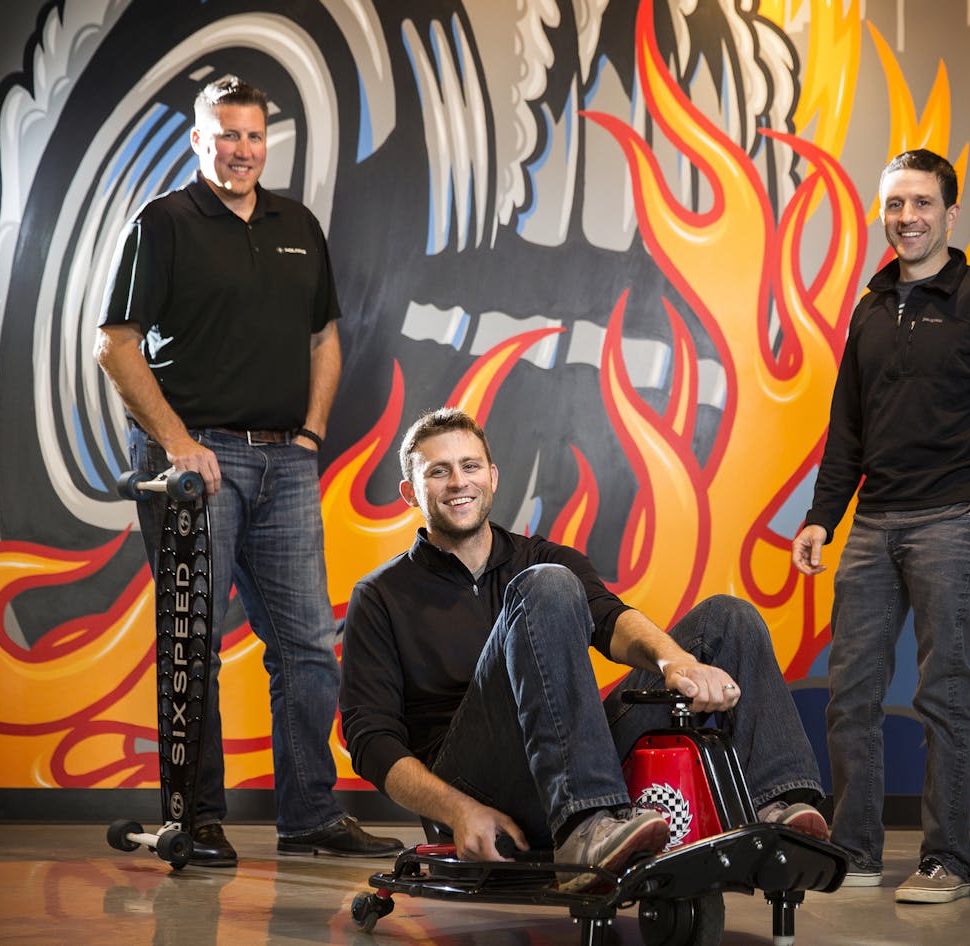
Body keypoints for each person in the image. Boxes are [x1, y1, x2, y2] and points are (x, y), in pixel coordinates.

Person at [94, 76, 403, 866]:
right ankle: (195, 819)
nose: (240, 150)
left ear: (269, 143)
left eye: (253, 137)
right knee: (191, 644)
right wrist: (175, 444)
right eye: (225, 135)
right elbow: (115, 344)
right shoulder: (163, 222)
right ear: (198, 140)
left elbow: (323, 337)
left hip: (284, 463)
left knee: (306, 645)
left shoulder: (295, 223)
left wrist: (311, 434)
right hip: (197, 465)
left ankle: (308, 816)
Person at [339, 408, 829, 889]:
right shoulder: (381, 594)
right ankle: (585, 825)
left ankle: (777, 811)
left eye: (469, 466)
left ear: (491, 476)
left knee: (728, 617)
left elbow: (612, 621)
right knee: (547, 585)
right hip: (473, 783)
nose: (458, 482)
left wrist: (675, 659)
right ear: (410, 493)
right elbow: (370, 742)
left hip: (574, 759)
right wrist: (459, 811)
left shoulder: (543, 556)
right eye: (438, 472)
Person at [791, 150, 970, 903]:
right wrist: (823, 518)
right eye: (894, 205)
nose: (907, 218)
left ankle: (945, 861)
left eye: (922, 204)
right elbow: (846, 429)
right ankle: (854, 852)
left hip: (952, 526)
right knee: (850, 696)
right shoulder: (869, 306)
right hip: (870, 528)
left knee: (943, 694)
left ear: (951, 213)